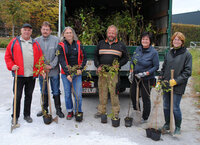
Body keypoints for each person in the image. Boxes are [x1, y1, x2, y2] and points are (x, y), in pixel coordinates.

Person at [4, 23, 44, 124]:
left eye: (29, 30)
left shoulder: (35, 43)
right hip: (19, 75)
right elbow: (8, 56)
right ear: (21, 30)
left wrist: (41, 70)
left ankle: (27, 115)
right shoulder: (14, 42)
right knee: (17, 96)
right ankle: (15, 116)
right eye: (25, 29)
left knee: (28, 96)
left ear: (31, 32)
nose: (27, 31)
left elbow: (40, 58)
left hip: (31, 75)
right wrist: (11, 65)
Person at [159, 32, 192, 135]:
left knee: (175, 107)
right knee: (166, 106)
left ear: (182, 42)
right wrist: (160, 78)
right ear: (172, 41)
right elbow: (164, 67)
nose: (176, 41)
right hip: (167, 83)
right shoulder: (169, 53)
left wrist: (176, 81)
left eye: (178, 40)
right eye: (174, 39)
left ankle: (178, 126)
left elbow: (187, 72)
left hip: (178, 85)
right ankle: (167, 124)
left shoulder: (186, 54)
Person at [94, 25, 129, 119]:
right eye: (109, 32)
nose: (111, 34)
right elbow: (96, 56)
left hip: (113, 73)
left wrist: (119, 64)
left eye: (113, 33)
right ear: (107, 33)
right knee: (102, 91)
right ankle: (101, 111)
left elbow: (126, 58)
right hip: (102, 73)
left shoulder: (121, 45)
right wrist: (98, 65)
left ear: (116, 34)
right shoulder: (101, 44)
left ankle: (115, 112)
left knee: (114, 92)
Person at [35, 21, 64, 118]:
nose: (45, 31)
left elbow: (58, 54)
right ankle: (45, 109)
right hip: (42, 71)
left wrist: (51, 65)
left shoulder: (56, 40)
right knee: (44, 91)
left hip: (54, 70)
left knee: (56, 90)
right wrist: (42, 66)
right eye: (43, 29)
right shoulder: (36, 41)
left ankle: (58, 110)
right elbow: (35, 56)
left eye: (47, 29)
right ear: (41, 30)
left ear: (50, 31)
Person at [57, 26, 87, 120]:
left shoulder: (78, 44)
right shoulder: (60, 45)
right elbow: (61, 60)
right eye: (67, 33)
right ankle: (70, 111)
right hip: (66, 73)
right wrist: (67, 74)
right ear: (64, 35)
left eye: (70, 32)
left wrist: (81, 68)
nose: (69, 34)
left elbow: (84, 57)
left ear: (73, 34)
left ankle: (78, 111)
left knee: (78, 94)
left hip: (77, 73)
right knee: (67, 94)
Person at [129, 32, 159, 123]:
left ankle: (145, 117)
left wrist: (146, 73)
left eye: (146, 39)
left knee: (145, 98)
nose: (144, 41)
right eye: (143, 39)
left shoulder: (153, 52)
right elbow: (132, 61)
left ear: (150, 41)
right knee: (133, 94)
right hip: (136, 76)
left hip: (147, 79)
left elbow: (156, 66)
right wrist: (131, 71)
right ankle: (137, 111)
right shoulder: (138, 49)